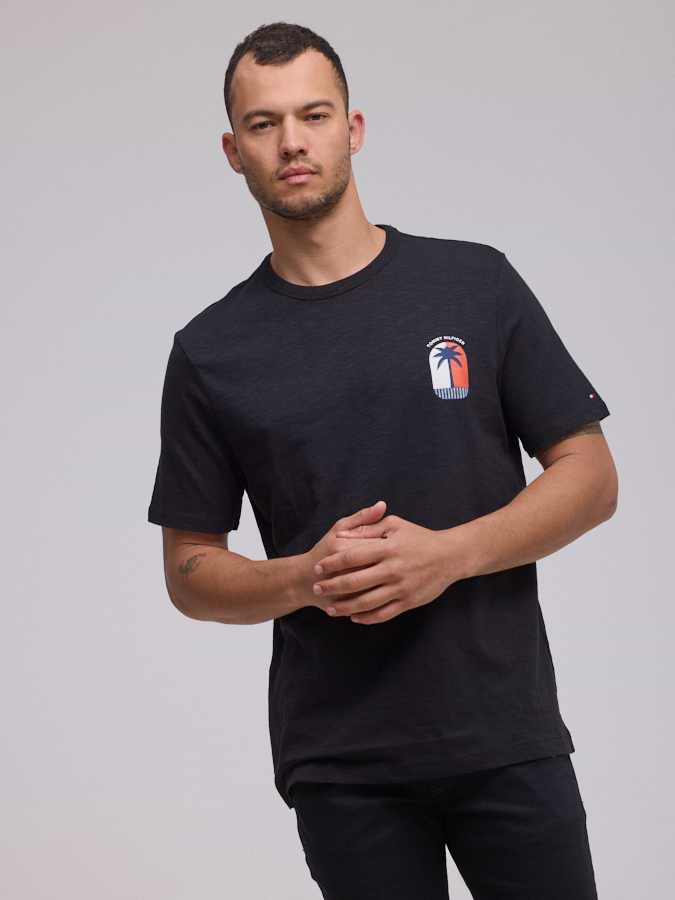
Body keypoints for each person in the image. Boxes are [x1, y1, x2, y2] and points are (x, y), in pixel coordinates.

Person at [147, 21, 617, 900]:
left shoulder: (474, 283)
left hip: (503, 731)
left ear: (352, 128)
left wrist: (449, 555)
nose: (292, 142)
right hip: (342, 762)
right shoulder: (210, 351)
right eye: (263, 124)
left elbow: (590, 477)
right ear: (233, 151)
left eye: (313, 115)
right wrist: (305, 577)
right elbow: (189, 570)